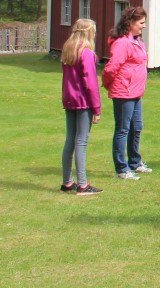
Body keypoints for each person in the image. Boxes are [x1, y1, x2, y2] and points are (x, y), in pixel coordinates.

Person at [102, 6, 151, 180]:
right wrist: (109, 85)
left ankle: (135, 162)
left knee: (136, 127)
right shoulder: (123, 43)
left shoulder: (137, 41)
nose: (144, 26)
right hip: (124, 92)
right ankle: (121, 168)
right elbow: (111, 68)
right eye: (141, 22)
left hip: (136, 92)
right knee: (123, 129)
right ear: (130, 22)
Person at [60, 19, 102, 195]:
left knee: (70, 138)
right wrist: (97, 108)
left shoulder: (68, 50)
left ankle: (67, 181)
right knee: (81, 141)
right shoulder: (86, 54)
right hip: (83, 102)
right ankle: (83, 184)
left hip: (69, 100)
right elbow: (91, 83)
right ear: (89, 33)